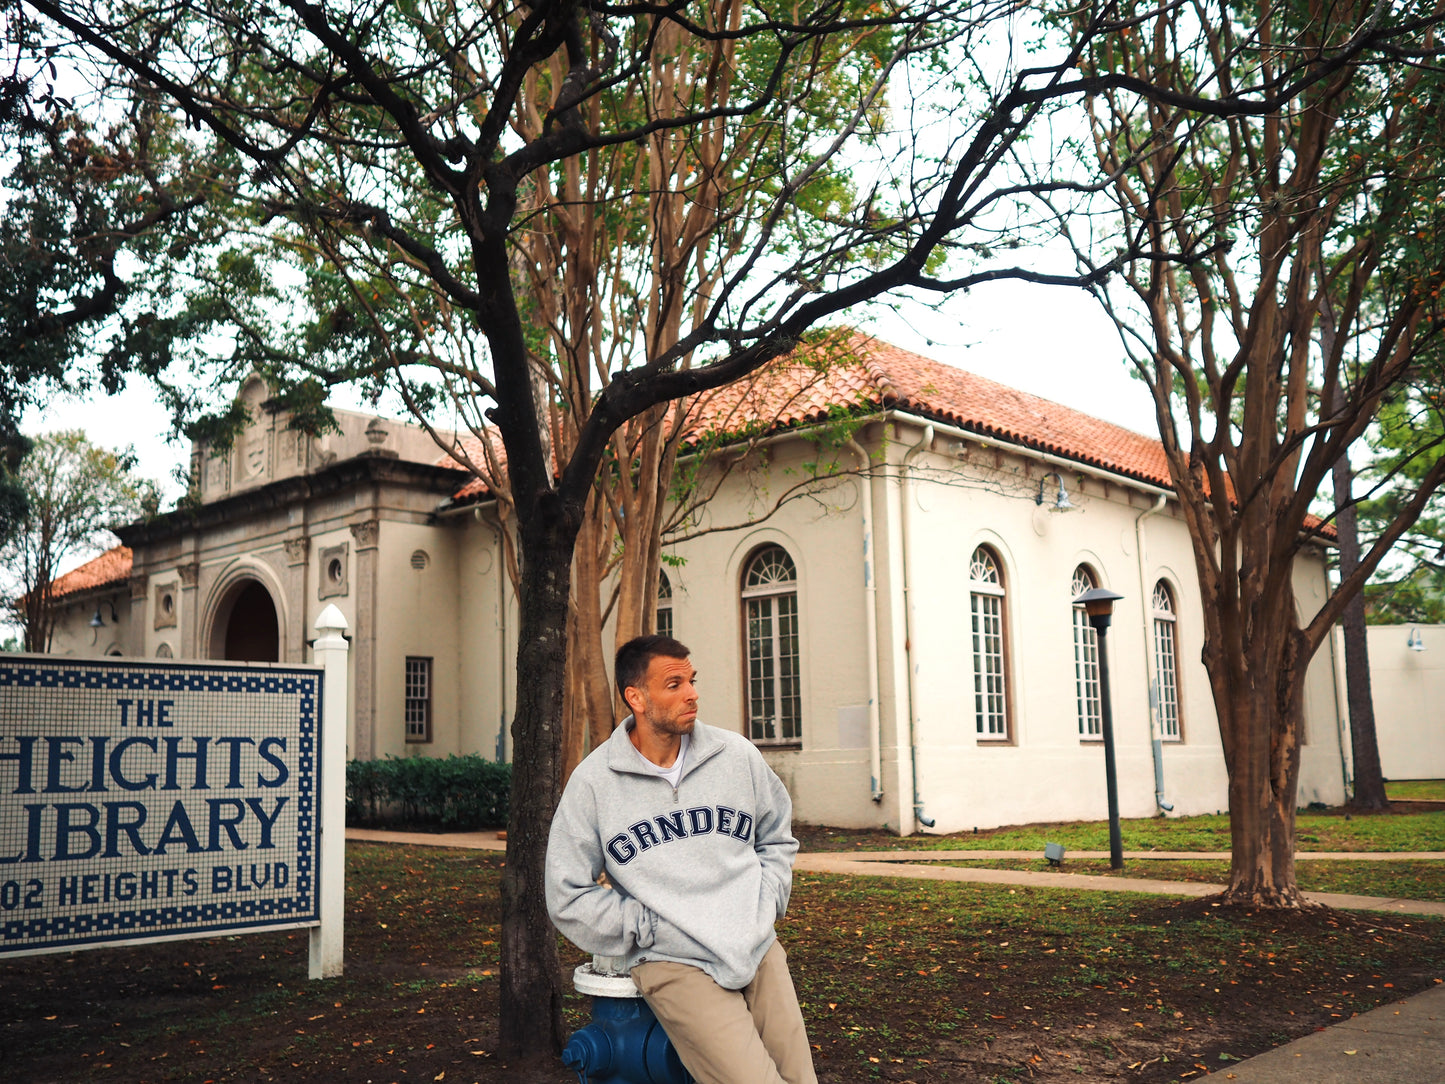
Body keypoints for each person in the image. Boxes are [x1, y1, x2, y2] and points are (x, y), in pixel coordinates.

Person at [545, 634, 817, 1084]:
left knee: (800, 1078)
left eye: (692, 680)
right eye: (674, 684)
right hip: (674, 959)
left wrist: (764, 902)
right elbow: (566, 893)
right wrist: (647, 927)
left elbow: (777, 839)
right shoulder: (595, 783)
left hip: (756, 946)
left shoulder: (736, 756)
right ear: (636, 697)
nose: (692, 693)